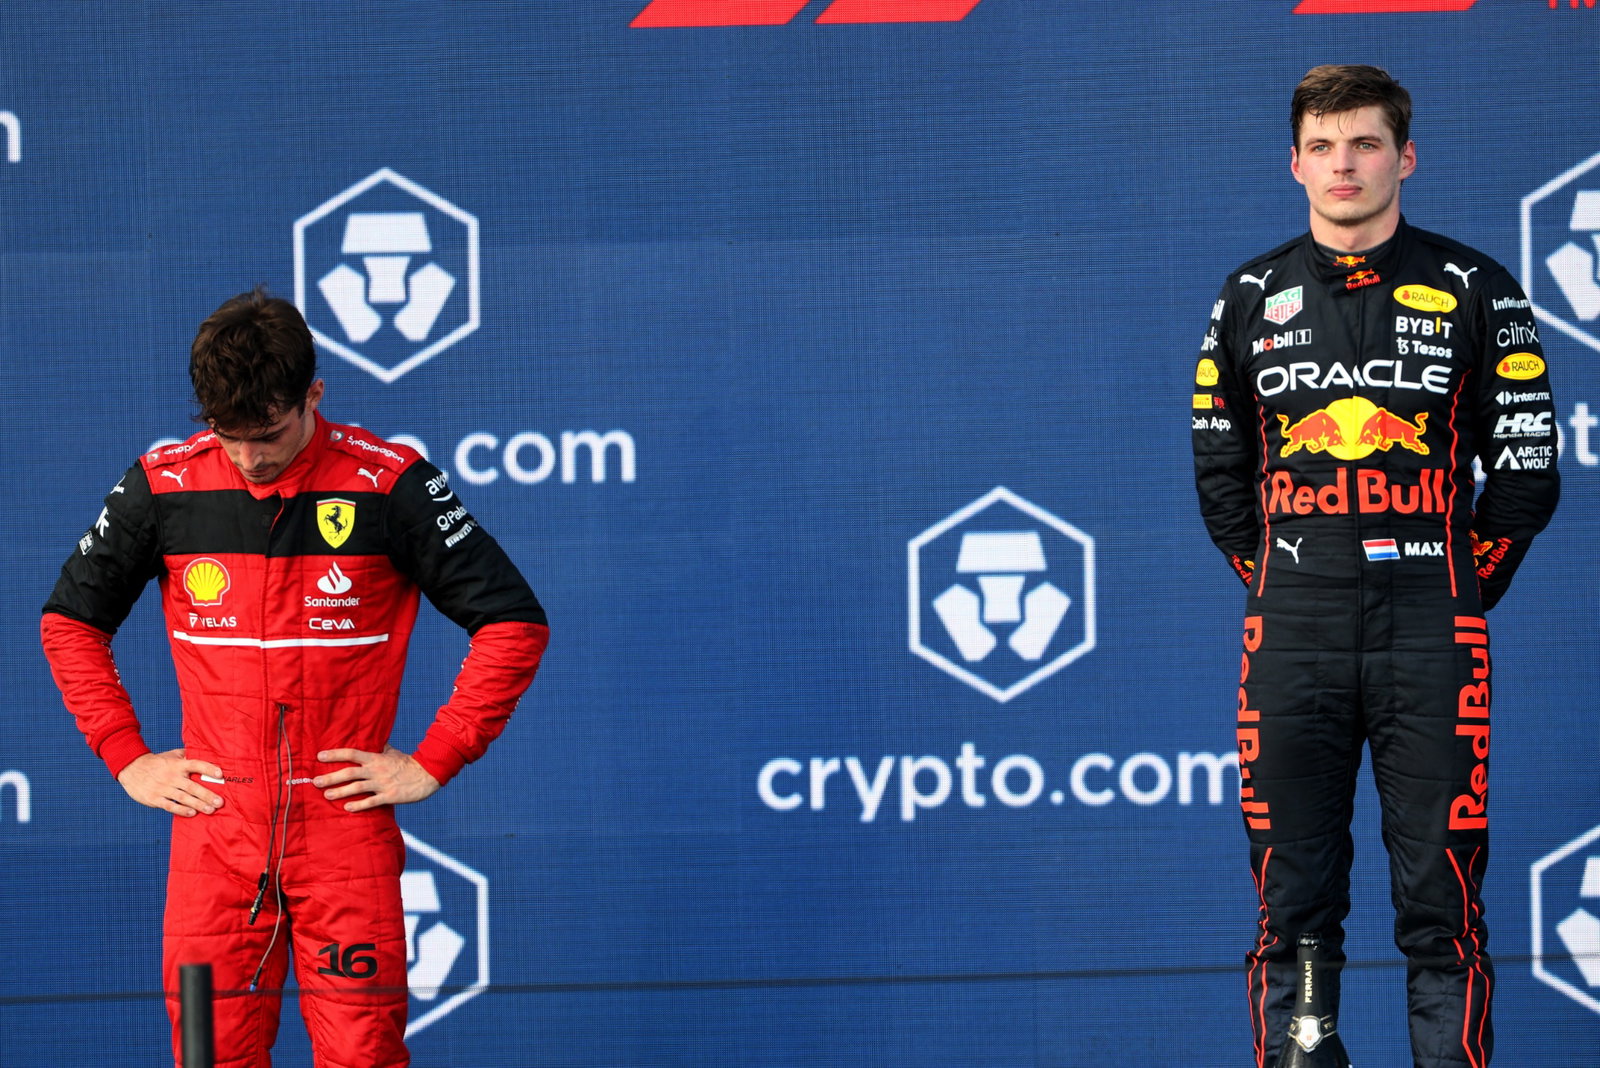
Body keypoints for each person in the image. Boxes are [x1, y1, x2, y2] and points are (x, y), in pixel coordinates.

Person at [41, 289, 550, 1067]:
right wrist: (126, 754)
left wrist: (436, 756)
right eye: (228, 435)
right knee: (211, 1057)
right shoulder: (163, 485)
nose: (249, 457)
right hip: (215, 835)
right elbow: (70, 623)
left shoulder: (389, 484)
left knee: (362, 1059)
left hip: (341, 834)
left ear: (314, 394)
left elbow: (513, 621)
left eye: (269, 434)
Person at [1191, 65, 1558, 1067]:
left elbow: (1526, 472)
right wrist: (1291, 578)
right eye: (1323, 146)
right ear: (1294, 163)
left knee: (1442, 900)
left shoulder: (1477, 287)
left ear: (1405, 155)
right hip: (1292, 628)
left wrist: (1447, 580)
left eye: (1363, 144)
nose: (1342, 164)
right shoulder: (1248, 295)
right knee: (1294, 900)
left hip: (1432, 629)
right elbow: (1220, 479)